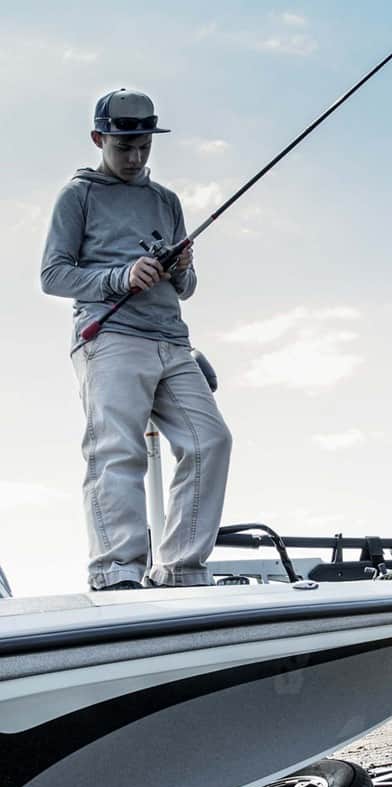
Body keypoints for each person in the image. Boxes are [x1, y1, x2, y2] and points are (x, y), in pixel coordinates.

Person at [40, 89, 232, 591]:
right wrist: (119, 277)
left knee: (210, 440)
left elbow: (186, 288)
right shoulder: (78, 195)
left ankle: (180, 570)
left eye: (144, 146)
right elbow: (52, 275)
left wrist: (181, 267)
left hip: (172, 341)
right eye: (124, 146)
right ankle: (116, 573)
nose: (135, 157)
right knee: (117, 450)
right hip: (111, 337)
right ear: (98, 138)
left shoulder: (166, 201)